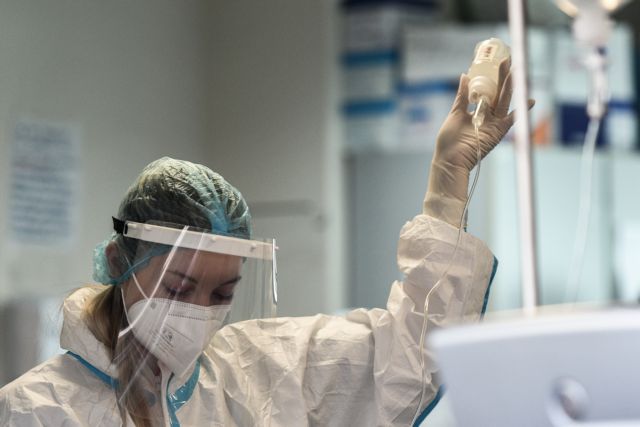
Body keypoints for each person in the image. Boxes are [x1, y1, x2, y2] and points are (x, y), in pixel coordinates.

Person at [0, 60, 525, 426]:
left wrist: (447, 184)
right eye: (179, 288)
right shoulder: (37, 410)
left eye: (222, 294)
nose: (199, 313)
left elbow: (408, 354)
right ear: (119, 261)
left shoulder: (261, 371)